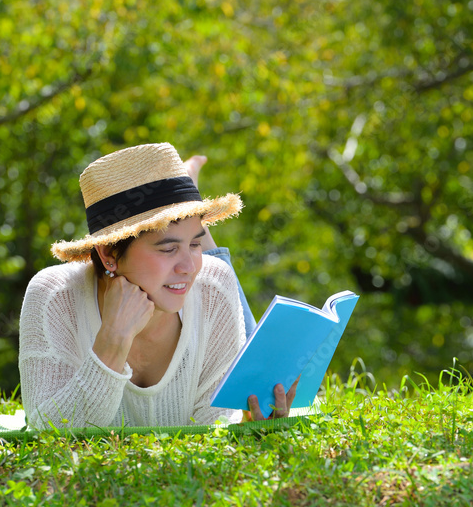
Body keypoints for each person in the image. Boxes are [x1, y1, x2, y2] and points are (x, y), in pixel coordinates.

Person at [18, 143, 295, 429]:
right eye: (167, 249)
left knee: (219, 273)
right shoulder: (54, 296)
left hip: (211, 290)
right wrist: (112, 341)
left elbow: (213, 429)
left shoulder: (214, 285)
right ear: (108, 254)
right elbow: (47, 431)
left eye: (195, 243)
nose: (189, 267)